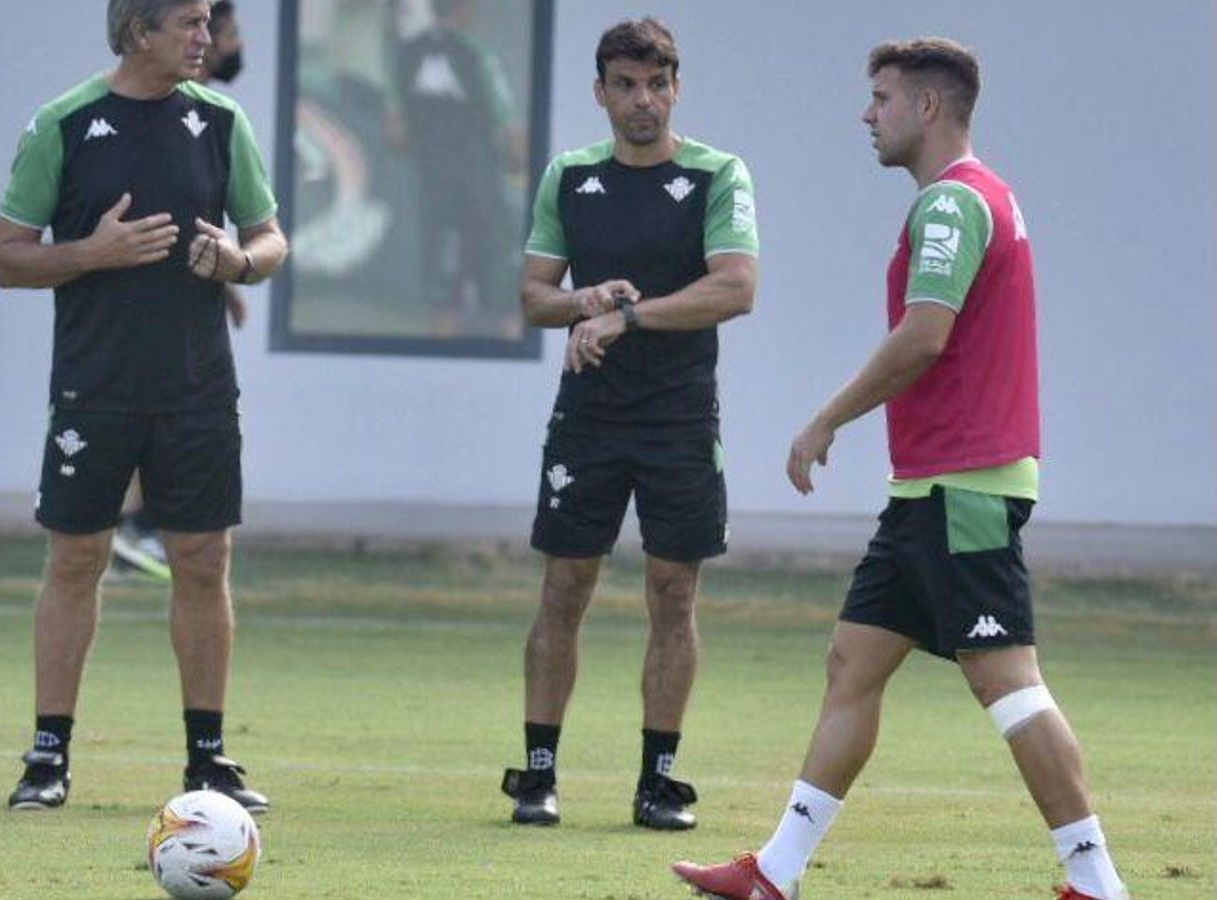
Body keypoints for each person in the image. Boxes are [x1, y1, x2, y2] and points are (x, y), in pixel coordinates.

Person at [673, 38, 1129, 900]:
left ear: (927, 107)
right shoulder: (977, 199)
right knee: (853, 662)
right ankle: (777, 871)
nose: (866, 113)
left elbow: (925, 335)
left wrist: (823, 420)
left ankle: (1097, 882)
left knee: (1008, 682)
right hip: (929, 489)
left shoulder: (954, 207)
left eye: (880, 97)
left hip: (967, 487)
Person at [0, 0, 288, 814]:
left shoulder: (224, 122)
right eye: (190, 22)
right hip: (94, 387)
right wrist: (93, 252)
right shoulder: (64, 123)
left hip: (197, 390)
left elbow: (270, 240)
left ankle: (208, 759)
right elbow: (7, 259)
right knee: (77, 560)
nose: (207, 38)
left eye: (207, 21)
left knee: (202, 561)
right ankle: (48, 754)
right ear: (139, 29)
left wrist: (237, 259)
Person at [500, 18, 759, 831]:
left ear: (676, 86)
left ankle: (657, 782)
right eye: (625, 85)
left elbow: (736, 288)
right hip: (589, 416)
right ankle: (538, 774)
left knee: (672, 592)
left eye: (656, 84)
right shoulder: (570, 178)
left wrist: (632, 318)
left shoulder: (717, 173)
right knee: (565, 586)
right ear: (601, 91)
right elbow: (535, 295)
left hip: (680, 417)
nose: (642, 101)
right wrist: (584, 302)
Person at [111, 0, 247, 581]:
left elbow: (205, 215)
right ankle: (136, 527)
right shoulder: (153, 100)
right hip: (131, 305)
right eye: (218, 29)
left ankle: (146, 527)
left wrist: (232, 272)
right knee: (144, 396)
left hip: (192, 298)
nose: (222, 40)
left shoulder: (216, 113)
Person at [390, 0, 526, 338]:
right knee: (503, 301)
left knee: (442, 298)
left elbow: (396, 134)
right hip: (483, 193)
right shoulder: (477, 54)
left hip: (435, 196)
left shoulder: (406, 55)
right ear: (464, 8)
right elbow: (512, 133)